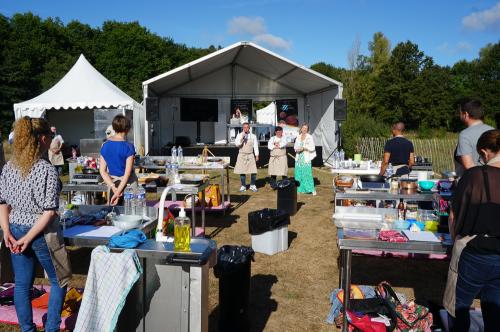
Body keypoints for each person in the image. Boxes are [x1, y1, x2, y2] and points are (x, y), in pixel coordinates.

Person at [0, 117, 71, 332]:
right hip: (40, 232)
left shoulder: (9, 167)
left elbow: (3, 203)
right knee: (60, 280)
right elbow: (49, 212)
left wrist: (6, 232)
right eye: (49, 136)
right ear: (41, 139)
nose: (51, 139)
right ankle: (51, 328)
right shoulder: (45, 169)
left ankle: (27, 329)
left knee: (22, 284)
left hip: (15, 227)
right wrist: (27, 238)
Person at [444, 129, 500, 331]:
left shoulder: (475, 175)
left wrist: (454, 239)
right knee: (494, 309)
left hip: (474, 250)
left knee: (459, 307)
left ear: (485, 153)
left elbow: (454, 215)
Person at [99, 115, 137, 205]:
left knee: (114, 215)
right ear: (127, 129)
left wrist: (113, 187)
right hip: (129, 185)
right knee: (131, 214)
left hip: (114, 183)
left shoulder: (105, 145)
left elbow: (102, 171)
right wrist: (118, 192)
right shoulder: (129, 147)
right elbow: (127, 174)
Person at [455, 99, 494, 178]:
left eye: (460, 113)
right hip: (494, 181)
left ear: (465, 114)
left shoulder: (465, 135)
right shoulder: (493, 131)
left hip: (472, 184)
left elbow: (468, 165)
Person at [234, 122, 259, 192]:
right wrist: (242, 138)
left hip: (250, 155)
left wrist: (257, 155)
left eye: (247, 127)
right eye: (244, 127)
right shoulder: (239, 135)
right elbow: (237, 144)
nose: (246, 129)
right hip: (242, 155)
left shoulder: (253, 136)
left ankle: (252, 185)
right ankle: (243, 185)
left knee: (253, 171)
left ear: (249, 128)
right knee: (242, 171)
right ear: (242, 128)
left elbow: (255, 146)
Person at [294, 123, 316, 195]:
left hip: (306, 157)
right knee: (299, 173)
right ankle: (300, 189)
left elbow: (312, 148)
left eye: (306, 128)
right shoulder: (298, 137)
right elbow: (295, 147)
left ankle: (311, 189)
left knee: (307, 173)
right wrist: (297, 149)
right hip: (299, 158)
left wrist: (304, 148)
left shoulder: (310, 137)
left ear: (308, 130)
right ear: (301, 129)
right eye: (303, 128)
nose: (304, 129)